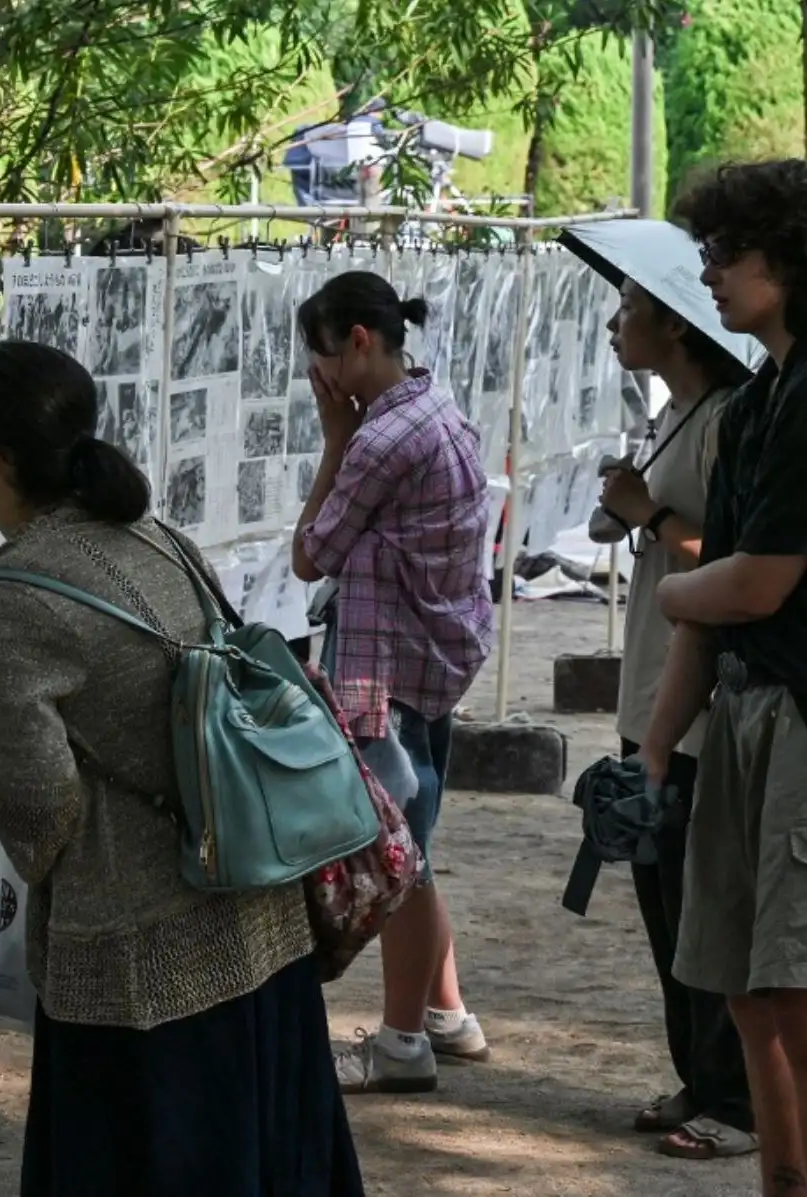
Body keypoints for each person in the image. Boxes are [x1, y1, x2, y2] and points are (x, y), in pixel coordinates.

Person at [0, 340, 363, 1196]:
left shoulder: (11, 593)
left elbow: (36, 799)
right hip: (261, 913)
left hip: (140, 962)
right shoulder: (155, 535)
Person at [641, 159, 807, 1197]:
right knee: (751, 997)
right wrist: (653, 754)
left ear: (793, 258)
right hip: (750, 715)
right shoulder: (765, 395)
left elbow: (753, 586)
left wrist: (680, 594)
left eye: (725, 253)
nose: (706, 274)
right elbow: (721, 591)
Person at [288, 271, 495, 1095]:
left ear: (359, 342)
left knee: (397, 855)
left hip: (382, 667)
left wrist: (333, 439)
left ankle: (404, 1040)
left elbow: (312, 552)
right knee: (420, 840)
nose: (323, 379)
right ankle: (446, 1012)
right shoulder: (434, 406)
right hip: (431, 659)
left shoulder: (376, 440)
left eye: (323, 360)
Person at [594, 273, 757, 1160]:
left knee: (703, 899)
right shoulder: (672, 415)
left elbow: (739, 562)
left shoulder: (733, 418)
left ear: (675, 321)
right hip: (649, 687)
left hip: (698, 699)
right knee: (660, 895)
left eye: (630, 306)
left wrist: (646, 511)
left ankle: (735, 1097)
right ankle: (698, 1075)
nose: (618, 321)